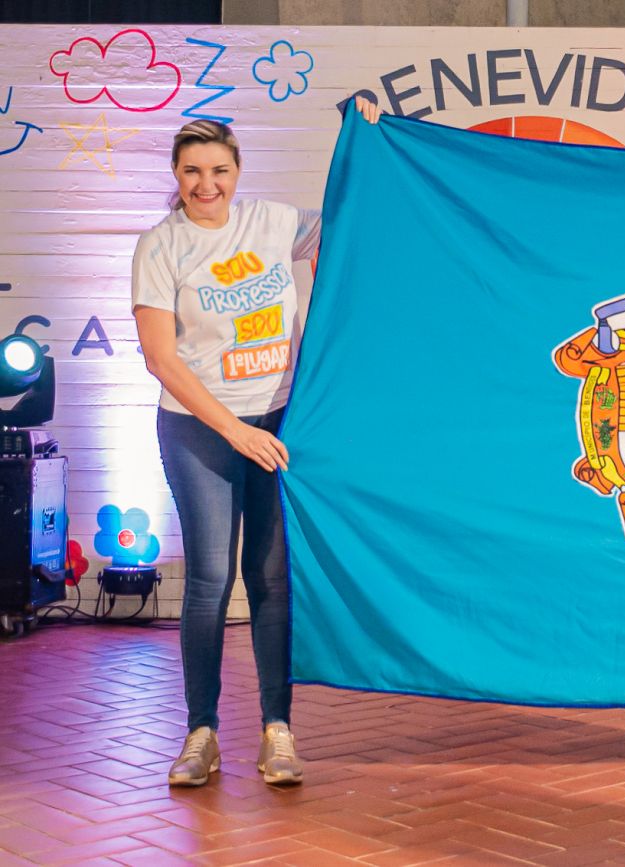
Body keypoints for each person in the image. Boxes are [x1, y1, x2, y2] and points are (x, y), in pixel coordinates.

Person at [132, 97, 381, 787]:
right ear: (176, 175)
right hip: (201, 431)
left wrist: (360, 136)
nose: (205, 184)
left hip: (277, 423)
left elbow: (352, 221)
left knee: (270, 578)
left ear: (237, 171)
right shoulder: (161, 246)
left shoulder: (272, 222)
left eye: (218, 170)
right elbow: (161, 359)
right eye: (192, 171)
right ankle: (201, 733)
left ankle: (278, 731)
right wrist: (234, 430)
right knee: (210, 580)